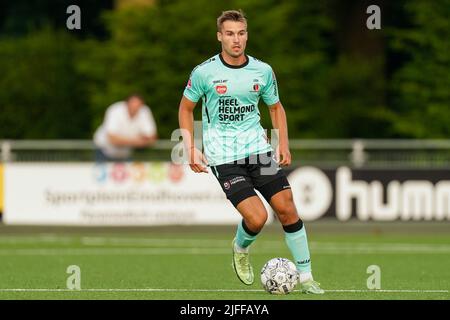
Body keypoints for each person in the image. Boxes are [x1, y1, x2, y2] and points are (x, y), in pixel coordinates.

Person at [178, 10, 324, 294]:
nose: (236, 40)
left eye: (241, 33)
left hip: (259, 151)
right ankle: (240, 247)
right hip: (224, 156)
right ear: (220, 36)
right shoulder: (204, 72)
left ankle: (306, 278)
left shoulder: (262, 71)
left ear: (247, 35)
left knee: (286, 207)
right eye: (230, 34)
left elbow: (275, 107)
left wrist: (282, 142)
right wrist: (191, 147)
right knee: (257, 218)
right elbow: (186, 108)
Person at [94, 94, 157, 162]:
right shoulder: (115, 110)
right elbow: (112, 139)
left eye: (137, 106)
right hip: (104, 151)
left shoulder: (144, 111)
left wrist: (122, 140)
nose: (134, 108)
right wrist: (138, 140)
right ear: (126, 104)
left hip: (126, 154)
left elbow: (152, 138)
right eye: (132, 105)